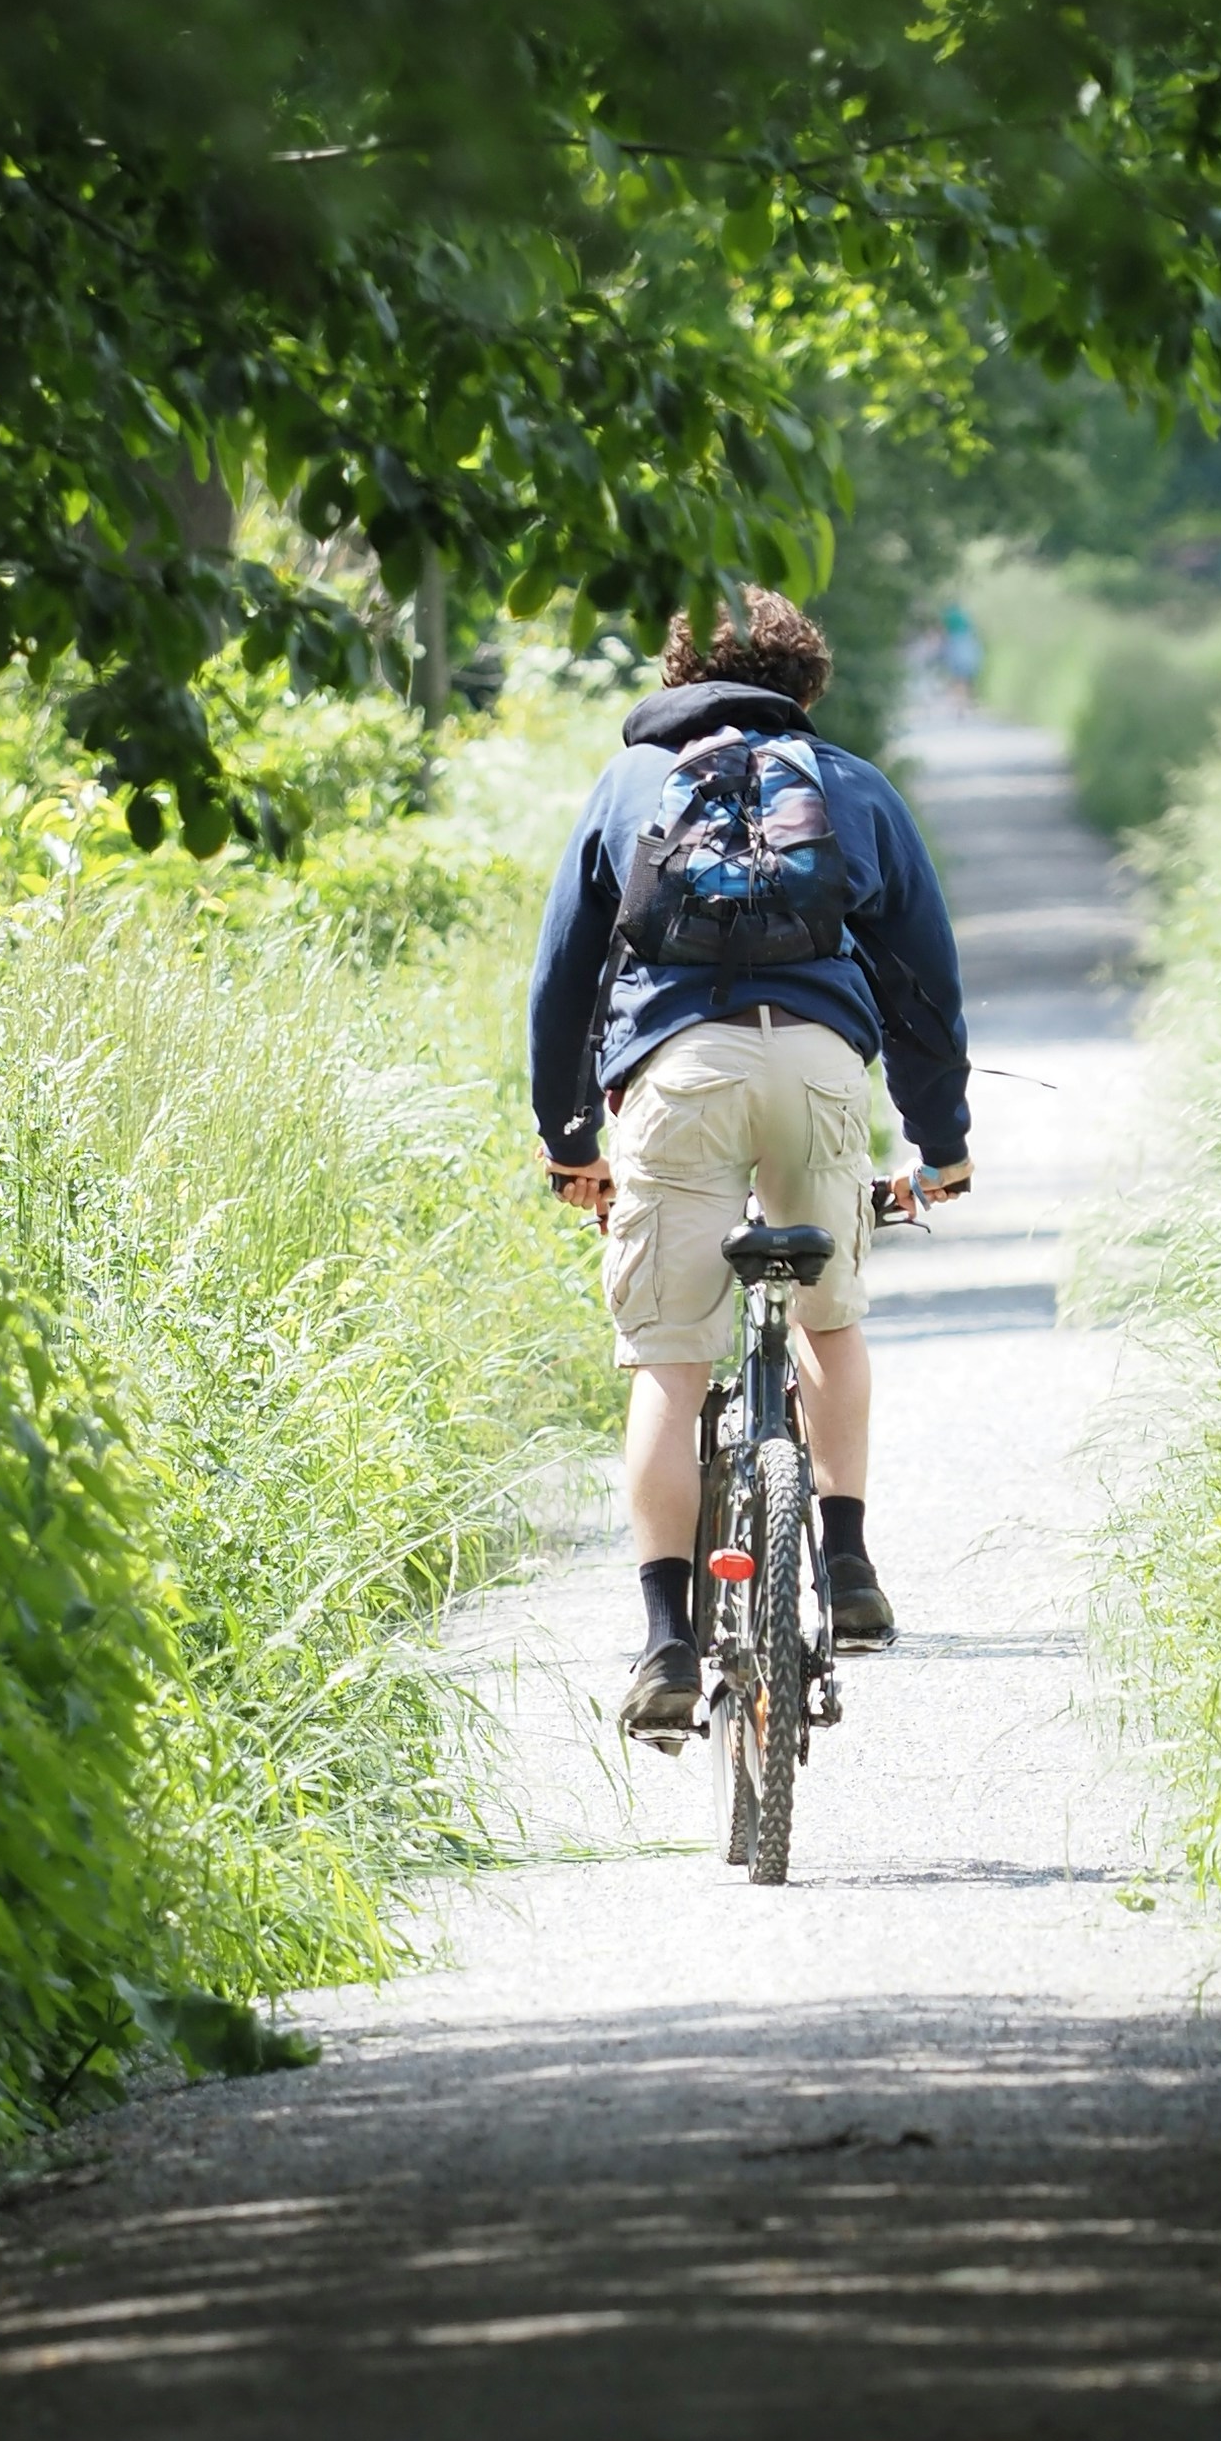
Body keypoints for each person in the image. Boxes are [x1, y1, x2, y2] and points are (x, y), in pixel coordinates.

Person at [529, 588, 972, 1741]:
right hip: (820, 1072)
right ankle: (850, 1559)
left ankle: (669, 1639)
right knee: (826, 1321)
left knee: (669, 1363)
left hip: (677, 1081)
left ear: (679, 679)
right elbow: (926, 978)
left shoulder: (629, 787)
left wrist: (570, 1140)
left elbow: (562, 980)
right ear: (805, 689)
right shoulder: (850, 786)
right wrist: (943, 1141)